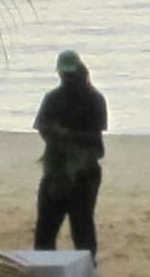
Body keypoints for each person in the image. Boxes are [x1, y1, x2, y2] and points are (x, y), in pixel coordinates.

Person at [33, 50, 108, 262]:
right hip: (56, 171)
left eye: (70, 74)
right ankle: (46, 271)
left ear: (79, 71)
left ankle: (86, 271)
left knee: (81, 226)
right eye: (64, 74)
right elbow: (41, 127)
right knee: (46, 229)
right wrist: (54, 135)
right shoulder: (53, 98)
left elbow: (95, 137)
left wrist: (66, 135)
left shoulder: (94, 99)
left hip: (85, 172)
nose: (67, 78)